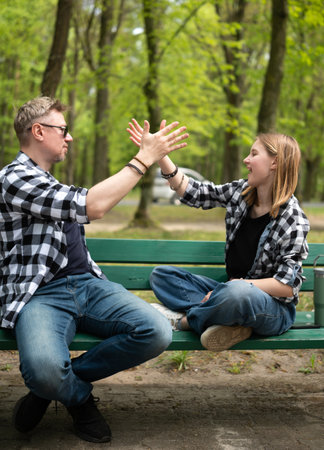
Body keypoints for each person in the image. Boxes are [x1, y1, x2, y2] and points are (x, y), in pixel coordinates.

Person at [0, 97, 189, 443]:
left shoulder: (47, 180)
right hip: (40, 296)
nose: (69, 137)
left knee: (157, 331)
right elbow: (94, 206)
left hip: (88, 285)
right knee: (43, 369)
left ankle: (50, 390)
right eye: (63, 130)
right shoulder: (14, 179)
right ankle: (78, 399)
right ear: (38, 131)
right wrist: (144, 157)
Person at [127, 119, 310, 351]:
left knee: (237, 293)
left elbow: (287, 286)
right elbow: (195, 193)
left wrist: (239, 286)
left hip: (272, 310)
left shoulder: (293, 218)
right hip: (231, 293)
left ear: (275, 162)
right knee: (162, 276)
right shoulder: (242, 192)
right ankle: (228, 321)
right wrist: (159, 154)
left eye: (254, 153)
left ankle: (184, 322)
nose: (246, 159)